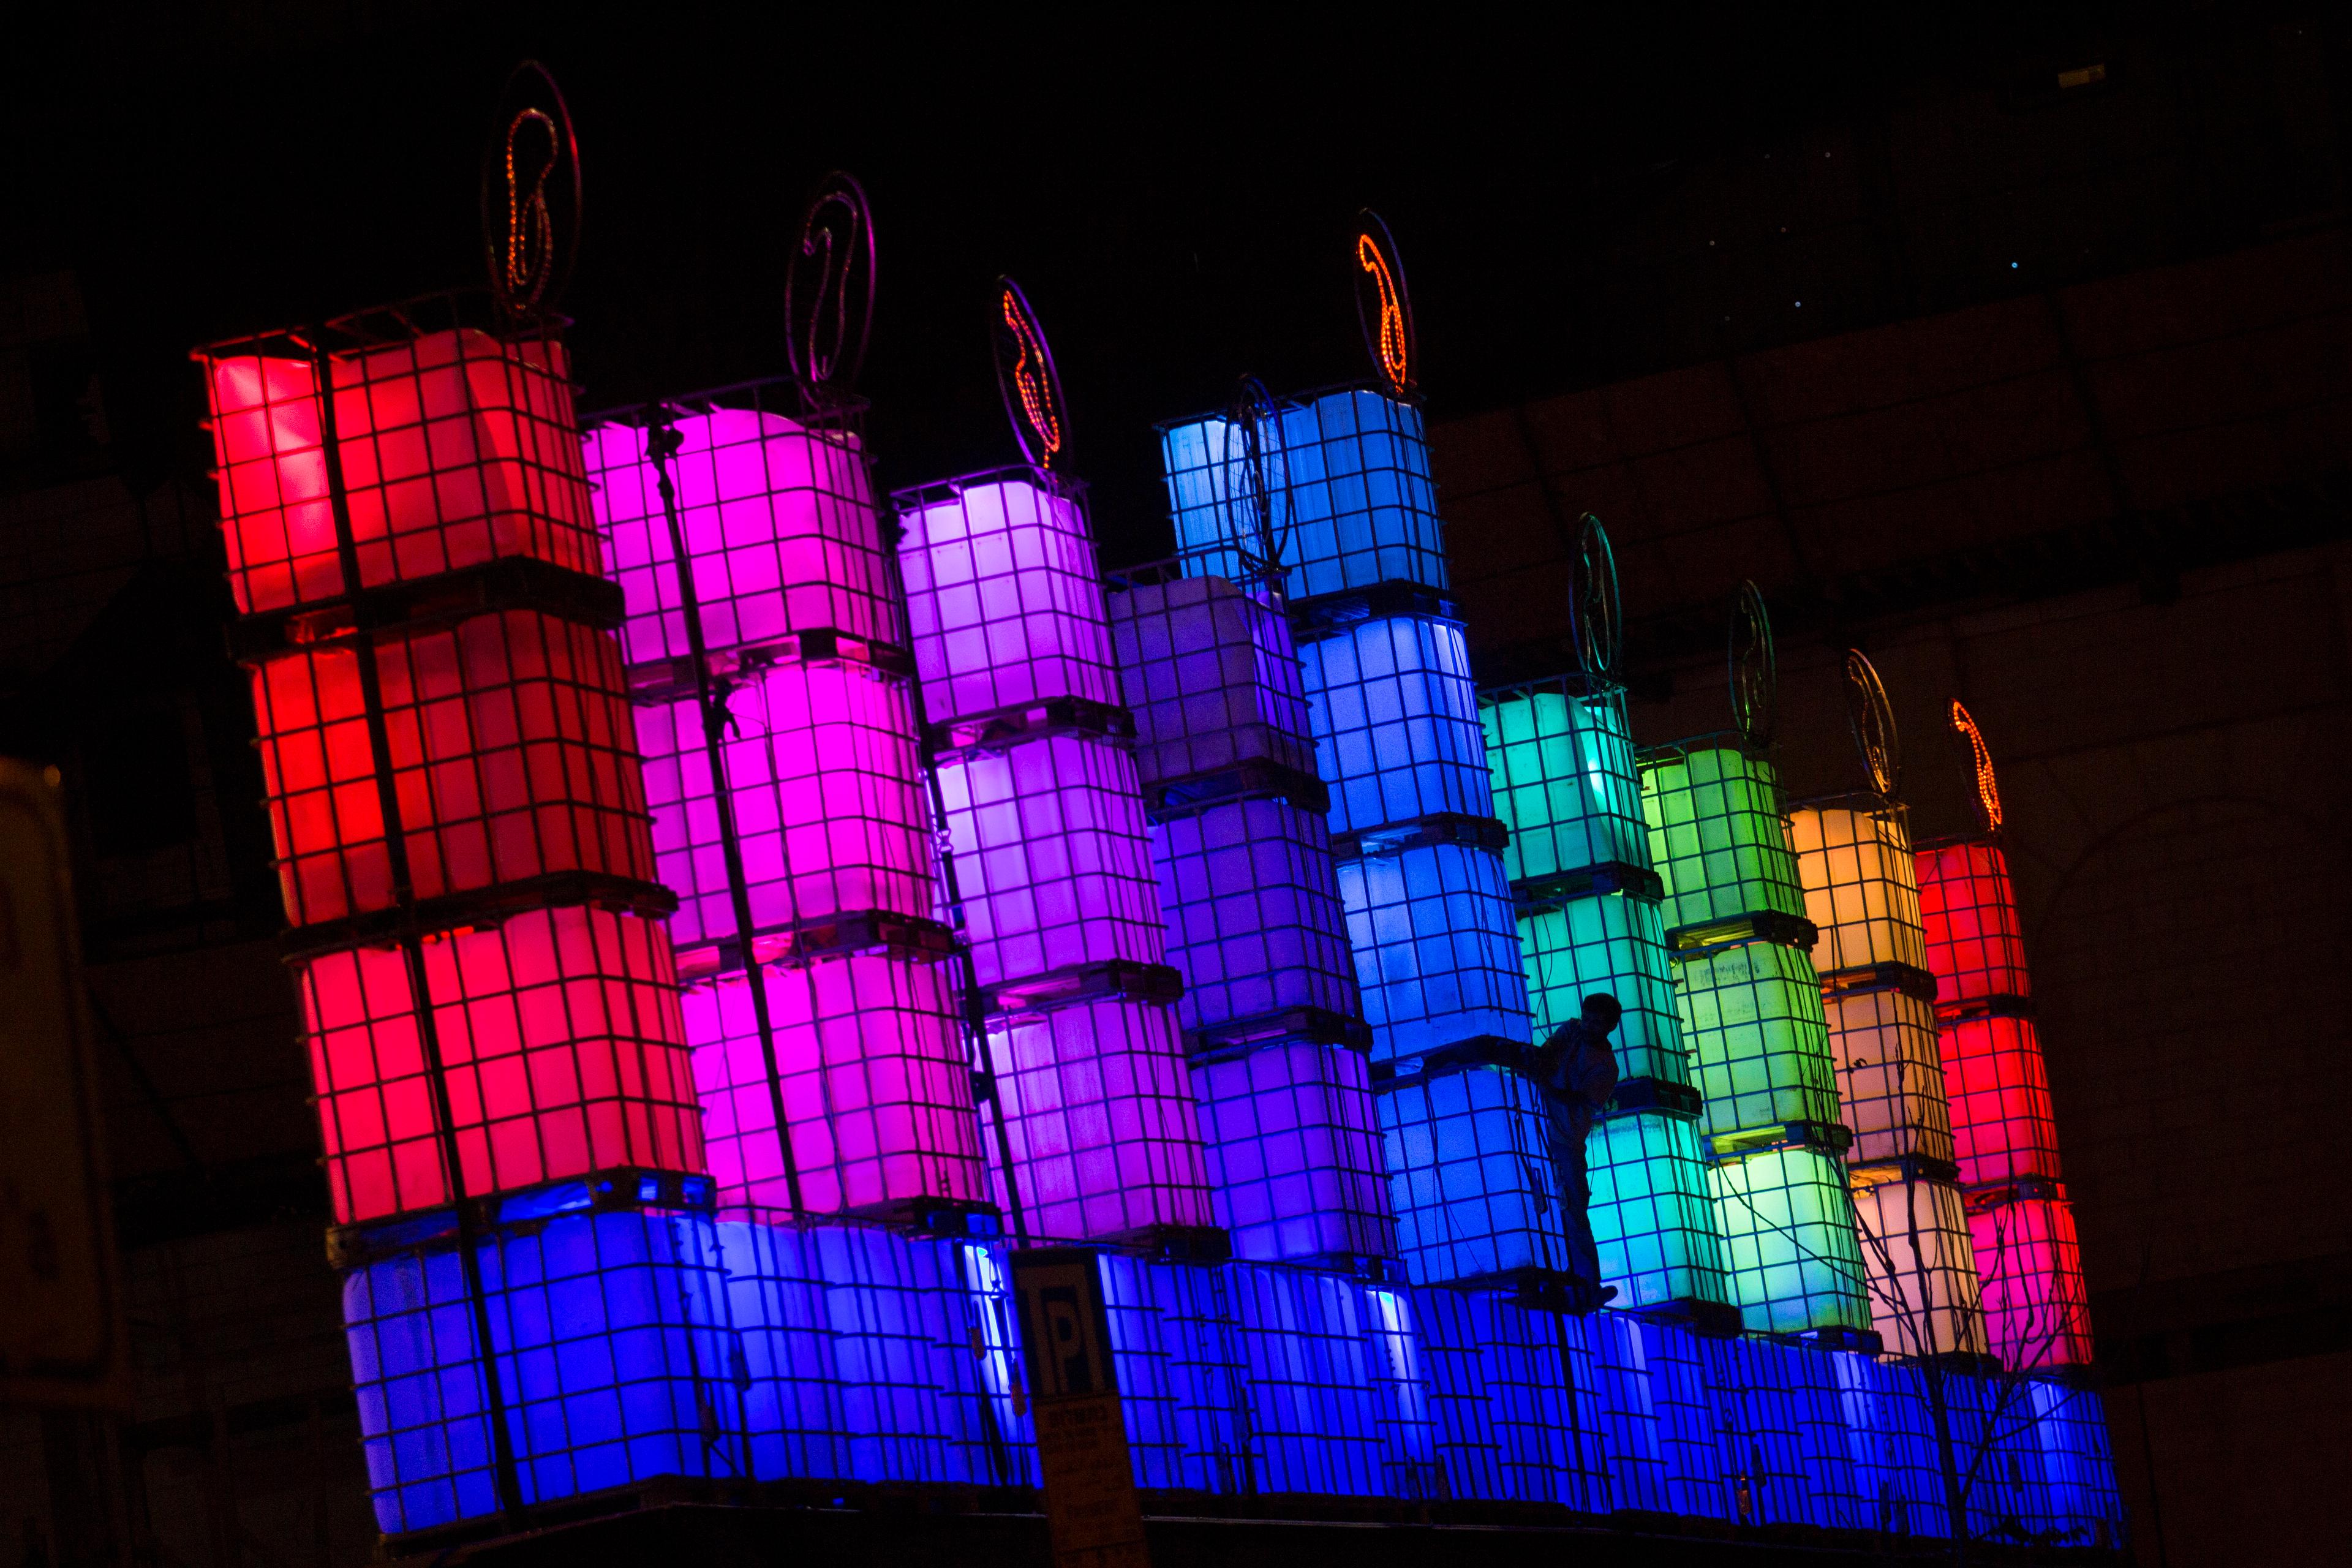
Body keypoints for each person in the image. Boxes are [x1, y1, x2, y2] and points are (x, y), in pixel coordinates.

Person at [1523, 992, 1623, 1306]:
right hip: (1543, 1127)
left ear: (1610, 1027)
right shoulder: (1571, 1031)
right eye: (1587, 1018)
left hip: (1566, 1138)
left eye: (1597, 1022)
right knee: (1548, 1206)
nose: (1589, 1026)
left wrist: (1547, 1087)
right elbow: (1547, 1053)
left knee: (1574, 1210)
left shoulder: (1607, 1066)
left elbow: (1582, 1100)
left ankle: (1587, 1285)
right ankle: (1561, 1276)